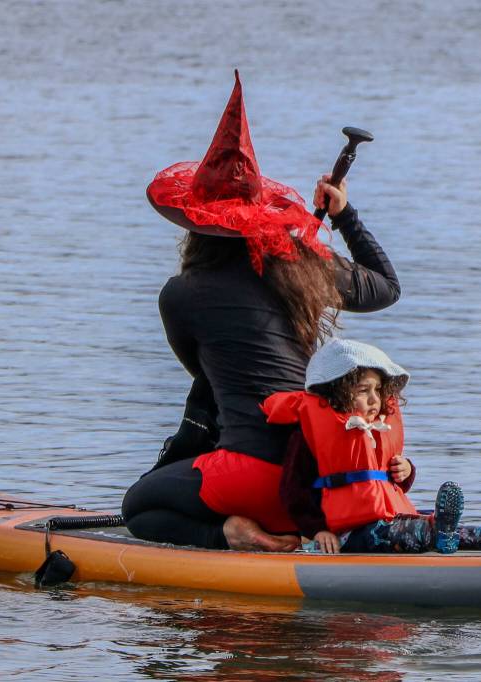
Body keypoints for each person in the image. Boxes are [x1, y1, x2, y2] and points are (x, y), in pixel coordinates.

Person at [122, 71, 402, 551]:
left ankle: (232, 533)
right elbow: (387, 288)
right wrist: (343, 216)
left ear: (194, 225)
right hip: (317, 479)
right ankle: (291, 530)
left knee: (138, 506)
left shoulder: (181, 294)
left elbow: (205, 372)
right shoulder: (305, 269)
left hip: (250, 478)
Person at [268, 338, 481, 554]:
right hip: (349, 535)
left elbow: (384, 484)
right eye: (363, 391)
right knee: (412, 531)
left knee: (436, 529)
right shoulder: (309, 433)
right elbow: (292, 491)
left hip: (389, 520)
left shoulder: (377, 429)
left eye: (378, 390)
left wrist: (405, 471)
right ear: (337, 391)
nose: (374, 399)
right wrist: (318, 531)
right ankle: (445, 535)